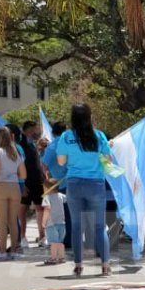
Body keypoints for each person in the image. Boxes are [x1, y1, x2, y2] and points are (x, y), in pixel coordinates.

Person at [57, 103, 114, 277]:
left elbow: (60, 162)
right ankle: (105, 265)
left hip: (74, 184)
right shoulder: (99, 136)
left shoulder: (66, 137)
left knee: (76, 227)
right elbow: (108, 162)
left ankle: (78, 265)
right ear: (89, 117)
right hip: (96, 184)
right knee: (99, 227)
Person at [0, 126, 27, 260]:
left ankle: (3, 251)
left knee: (2, 222)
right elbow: (23, 174)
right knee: (12, 221)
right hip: (14, 186)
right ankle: (15, 249)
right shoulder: (16, 153)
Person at [18, 121, 47, 246]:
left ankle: (42, 236)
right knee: (23, 209)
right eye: (35, 129)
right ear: (29, 130)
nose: (37, 132)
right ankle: (22, 236)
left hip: (37, 181)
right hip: (26, 181)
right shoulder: (20, 144)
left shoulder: (33, 144)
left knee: (40, 207)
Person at [43, 180, 67, 265]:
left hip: (51, 224)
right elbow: (68, 199)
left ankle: (53, 258)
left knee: (53, 243)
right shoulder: (61, 196)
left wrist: (43, 222)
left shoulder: (46, 198)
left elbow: (47, 209)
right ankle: (61, 257)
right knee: (60, 242)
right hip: (62, 223)